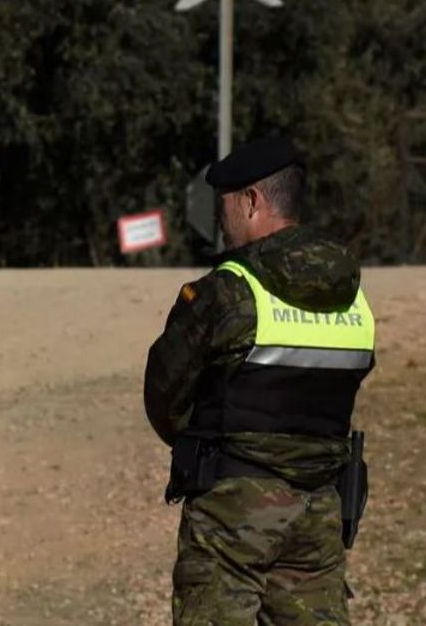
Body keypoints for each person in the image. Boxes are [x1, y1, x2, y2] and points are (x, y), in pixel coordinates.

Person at [144, 137, 376, 625]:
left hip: (232, 512)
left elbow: (165, 397)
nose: (221, 220)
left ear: (251, 201)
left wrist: (205, 439)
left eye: (225, 204)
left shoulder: (227, 291)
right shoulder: (353, 299)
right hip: (320, 510)